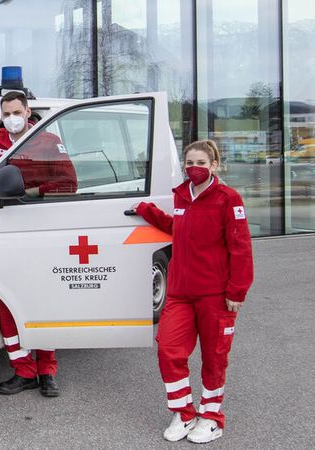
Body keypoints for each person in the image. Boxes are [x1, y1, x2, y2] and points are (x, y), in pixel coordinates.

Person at [133, 140, 253, 443]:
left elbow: (240, 247)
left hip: (216, 295)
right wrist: (148, 211)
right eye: (189, 163)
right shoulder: (181, 196)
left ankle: (212, 416)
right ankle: (184, 413)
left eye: (201, 163)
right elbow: (179, 228)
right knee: (168, 349)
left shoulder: (228, 198)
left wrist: (237, 291)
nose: (194, 168)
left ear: (214, 166)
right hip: (180, 293)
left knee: (214, 358)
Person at [0, 91, 77, 397]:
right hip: (3, 231)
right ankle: (23, 370)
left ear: (27, 110)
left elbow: (70, 183)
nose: (12, 118)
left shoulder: (46, 141)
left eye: (16, 112)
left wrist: (34, 192)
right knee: (6, 303)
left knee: (43, 302)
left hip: (41, 230)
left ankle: (47, 370)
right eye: (6, 113)